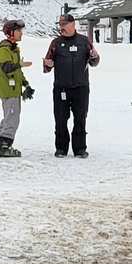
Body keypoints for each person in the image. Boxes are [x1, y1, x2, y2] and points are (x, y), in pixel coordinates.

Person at [43, 13, 100, 157]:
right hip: (61, 87)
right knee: (60, 119)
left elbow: (94, 62)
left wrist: (95, 57)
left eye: (64, 25)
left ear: (73, 25)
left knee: (80, 118)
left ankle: (80, 148)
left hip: (81, 87)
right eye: (60, 25)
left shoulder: (84, 41)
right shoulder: (56, 43)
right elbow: (47, 64)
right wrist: (47, 65)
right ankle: (61, 148)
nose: (62, 28)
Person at [0, 18, 34, 157]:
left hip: (14, 89)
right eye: (18, 31)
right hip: (8, 90)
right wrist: (19, 65)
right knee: (12, 118)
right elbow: (7, 68)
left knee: (8, 117)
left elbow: (17, 71)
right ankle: (5, 146)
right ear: (10, 33)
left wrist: (25, 84)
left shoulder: (13, 49)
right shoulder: (4, 49)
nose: (21, 33)